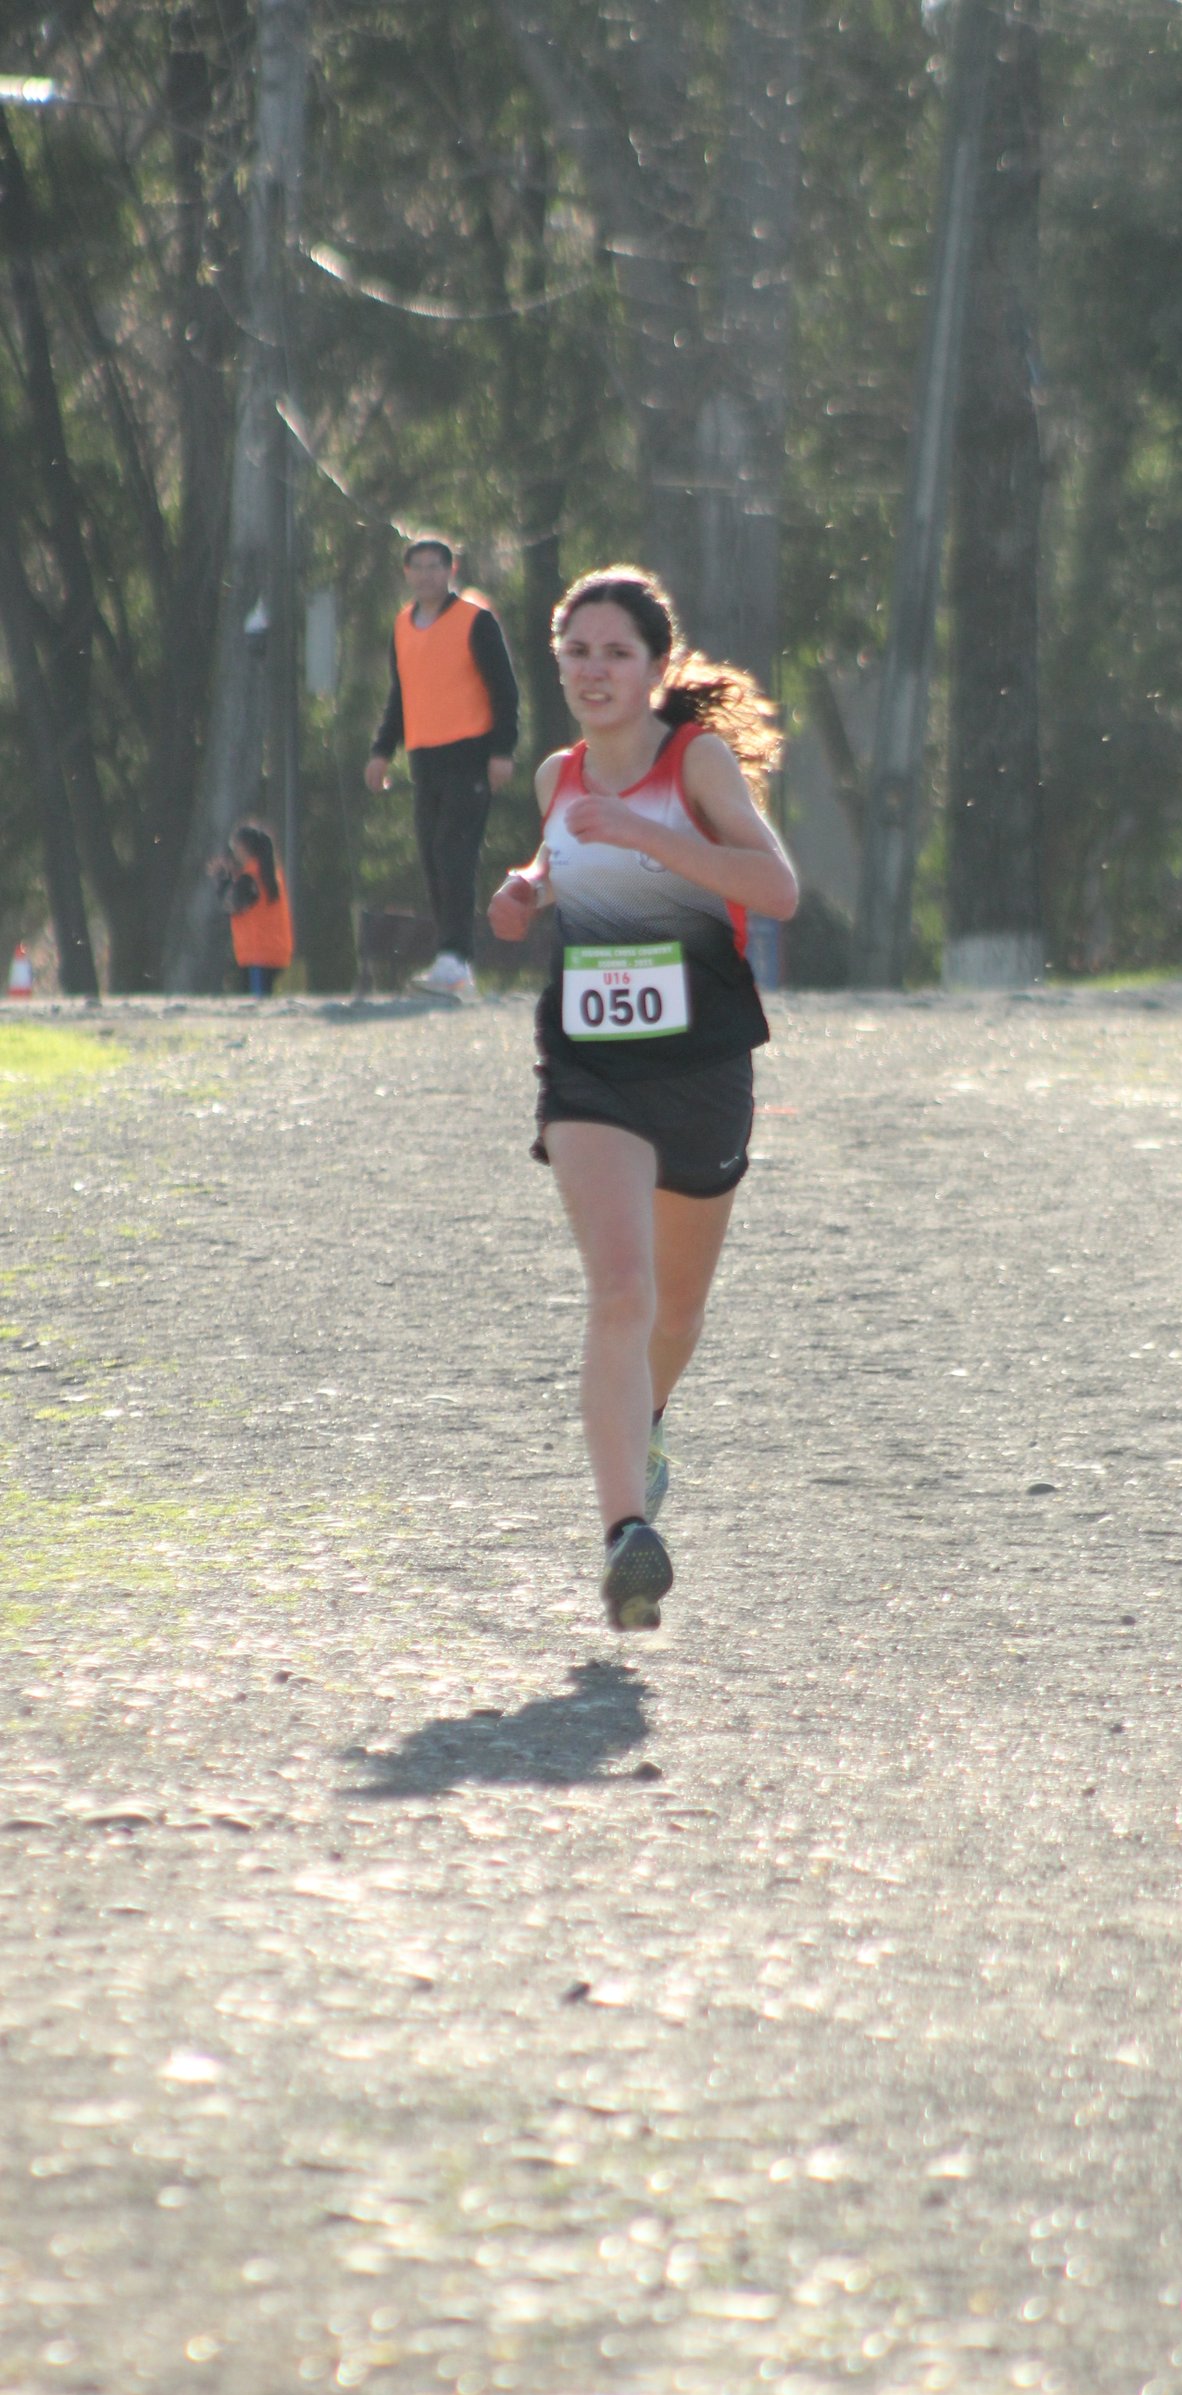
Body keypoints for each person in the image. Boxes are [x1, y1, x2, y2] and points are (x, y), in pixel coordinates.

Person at [487, 565, 799, 1630]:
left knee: (676, 1308)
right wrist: (530, 888)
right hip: (591, 1066)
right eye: (577, 651)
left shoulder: (694, 761)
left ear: (656, 667)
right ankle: (627, 1536)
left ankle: (647, 1420)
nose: (594, 670)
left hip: (702, 1062)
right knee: (621, 1289)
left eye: (616, 652)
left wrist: (650, 836)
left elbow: (775, 887)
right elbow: (563, 850)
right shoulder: (557, 776)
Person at [365, 535, 520, 998]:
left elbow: (504, 689)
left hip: (470, 754)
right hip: (424, 757)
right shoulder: (402, 625)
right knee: (433, 856)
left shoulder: (475, 620)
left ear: (451, 571)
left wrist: (502, 751)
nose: (426, 575)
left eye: (435, 566)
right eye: (418, 567)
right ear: (407, 573)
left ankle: (455, 956)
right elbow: (400, 694)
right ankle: (451, 960)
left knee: (456, 852)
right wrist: (381, 751)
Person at [209, 821, 293, 996]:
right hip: (274, 951)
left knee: (257, 1005)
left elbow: (231, 904)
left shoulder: (251, 878)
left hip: (258, 954)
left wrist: (222, 881)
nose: (234, 853)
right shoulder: (272, 874)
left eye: (235, 848)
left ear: (244, 848)